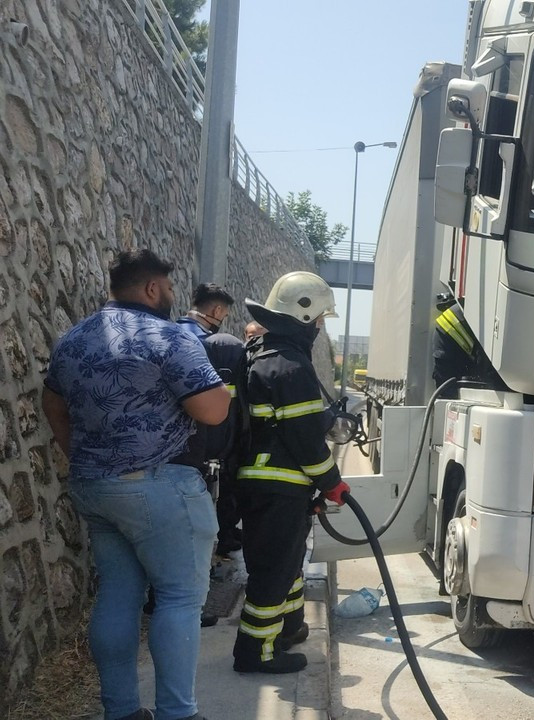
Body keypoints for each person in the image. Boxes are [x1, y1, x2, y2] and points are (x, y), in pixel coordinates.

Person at [42, 249, 229, 720]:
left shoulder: (73, 339)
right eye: (168, 288)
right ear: (151, 288)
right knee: (179, 598)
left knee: (117, 595)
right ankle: (177, 714)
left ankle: (121, 712)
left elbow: (52, 406)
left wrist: (87, 457)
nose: (171, 297)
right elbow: (212, 410)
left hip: (95, 487)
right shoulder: (169, 337)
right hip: (159, 486)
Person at [233, 271, 349, 674]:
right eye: (318, 320)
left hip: (264, 484)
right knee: (273, 569)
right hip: (280, 485)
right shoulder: (291, 366)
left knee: (287, 561)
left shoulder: (261, 356)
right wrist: (333, 484)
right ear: (303, 317)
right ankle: (256, 651)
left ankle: (290, 625)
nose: (319, 328)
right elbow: (304, 441)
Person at [174, 283, 248, 558]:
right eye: (224, 315)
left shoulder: (168, 332)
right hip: (193, 451)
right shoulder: (207, 344)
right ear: (217, 310)